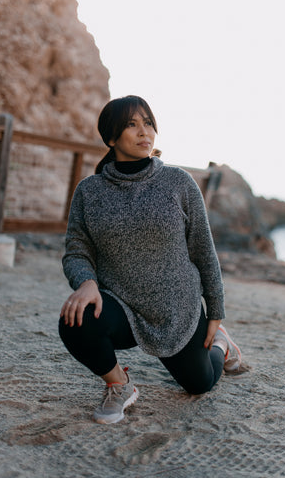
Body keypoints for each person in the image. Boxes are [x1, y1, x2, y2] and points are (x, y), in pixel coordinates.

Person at [59, 95, 244, 425]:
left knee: (199, 384)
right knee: (76, 318)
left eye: (148, 122)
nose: (144, 131)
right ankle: (119, 384)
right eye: (132, 124)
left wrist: (215, 310)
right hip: (122, 306)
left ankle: (222, 344)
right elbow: (77, 250)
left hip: (177, 307)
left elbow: (203, 250)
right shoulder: (90, 191)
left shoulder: (178, 182)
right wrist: (86, 282)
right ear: (112, 138)